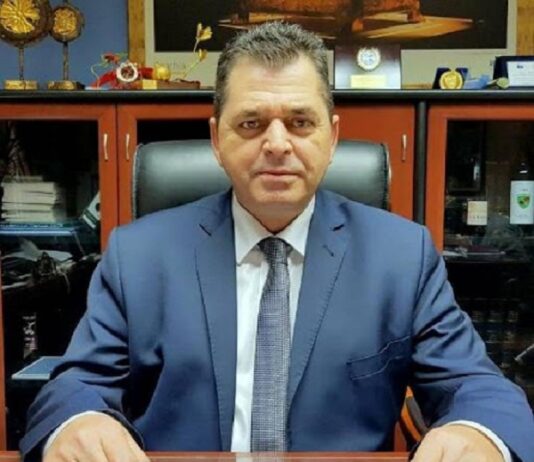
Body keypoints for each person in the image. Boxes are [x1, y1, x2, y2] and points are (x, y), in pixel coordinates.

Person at [21, 22, 534, 462]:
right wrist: (78, 421)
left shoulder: (401, 256)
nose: (277, 144)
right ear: (217, 139)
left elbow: (479, 388)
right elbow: (74, 385)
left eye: (300, 122)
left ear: (332, 138)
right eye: (251, 123)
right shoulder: (139, 255)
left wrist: (476, 431)